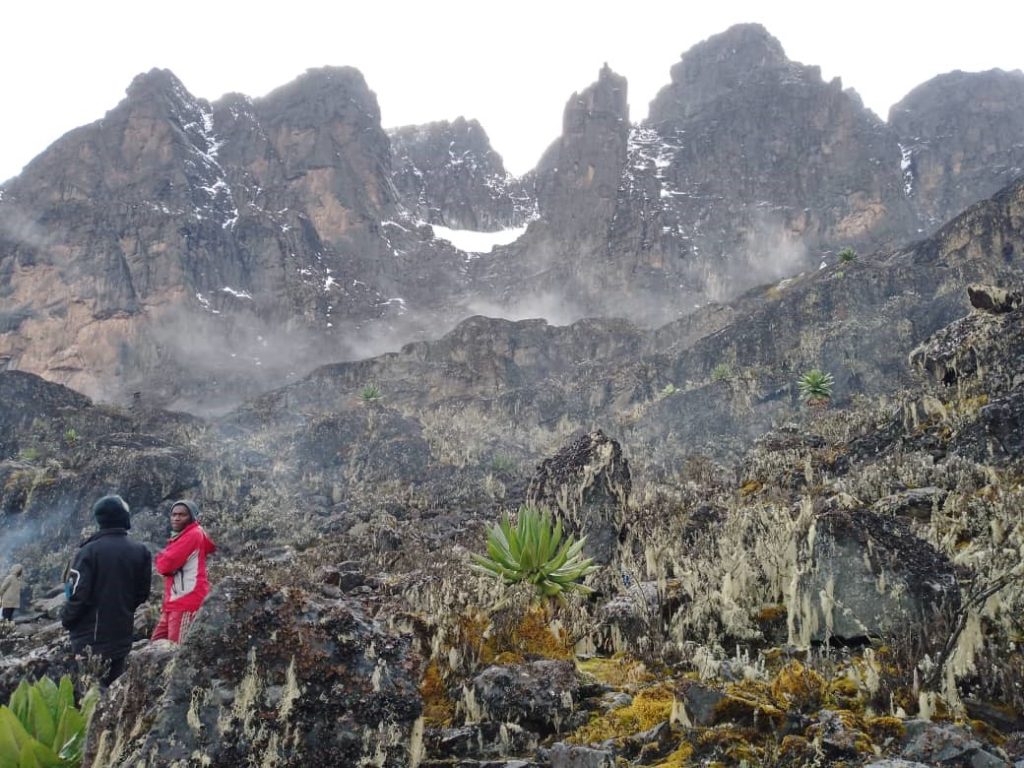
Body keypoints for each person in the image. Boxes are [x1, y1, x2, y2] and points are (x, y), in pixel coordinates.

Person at [61, 495, 152, 685]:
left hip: (90, 638)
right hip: (122, 634)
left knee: (90, 691)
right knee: (113, 689)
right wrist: (122, 608)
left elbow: (78, 595)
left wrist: (67, 619)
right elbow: (142, 593)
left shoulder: (88, 551)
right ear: (123, 517)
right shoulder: (141, 551)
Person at [151, 499, 216, 644]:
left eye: (182, 515)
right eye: (174, 515)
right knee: (154, 645)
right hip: (173, 603)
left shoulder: (192, 534)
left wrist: (161, 558)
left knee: (176, 649)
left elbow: (165, 565)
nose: (176, 518)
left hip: (186, 603)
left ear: (192, 517)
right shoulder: (182, 536)